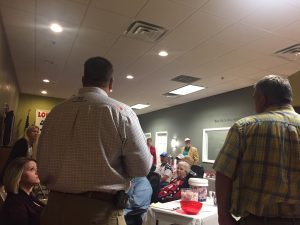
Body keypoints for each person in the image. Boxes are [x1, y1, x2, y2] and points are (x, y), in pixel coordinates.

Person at [36, 56, 152, 225]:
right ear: (111, 83)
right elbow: (141, 168)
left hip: (54, 209)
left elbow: (42, 161)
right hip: (99, 213)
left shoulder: (55, 113)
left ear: (83, 81)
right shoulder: (122, 113)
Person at [213, 75, 300, 225]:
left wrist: (223, 216)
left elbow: (223, 173)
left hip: (256, 221)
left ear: (262, 98)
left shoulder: (244, 127)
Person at [1, 157, 44, 225]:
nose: (37, 172)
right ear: (18, 175)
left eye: (37, 168)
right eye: (32, 169)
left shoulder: (29, 196)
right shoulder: (15, 204)